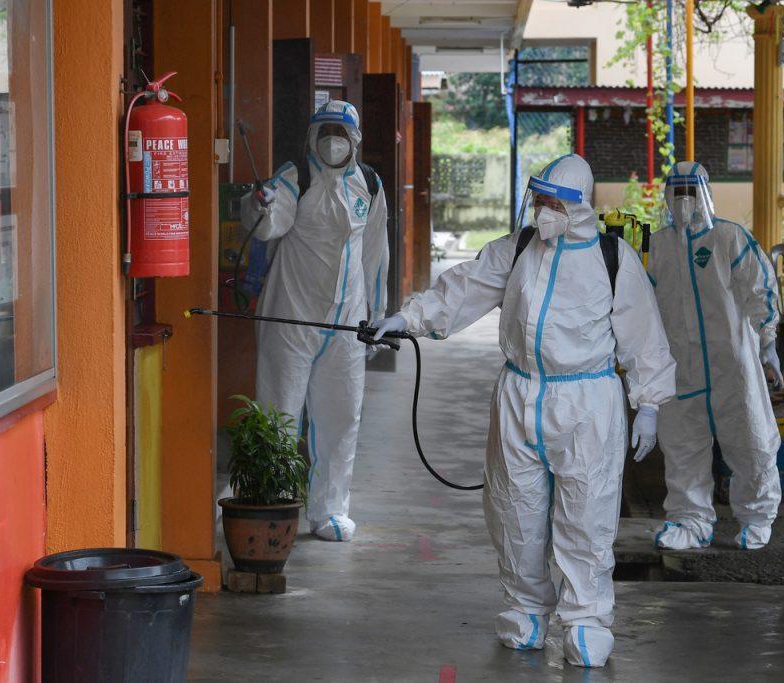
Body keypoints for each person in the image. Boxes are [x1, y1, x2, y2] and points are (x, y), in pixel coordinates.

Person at [374, 154, 675, 668]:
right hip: (518, 395)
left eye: (555, 202)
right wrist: (408, 318)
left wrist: (649, 402)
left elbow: (644, 334)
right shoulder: (517, 250)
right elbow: (463, 286)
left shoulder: (613, 259)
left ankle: (586, 619)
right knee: (514, 510)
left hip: (586, 403)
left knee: (587, 513)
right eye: (540, 199)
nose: (544, 210)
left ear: (579, 207)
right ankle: (525, 608)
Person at [239, 101, 388, 542]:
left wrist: (377, 318)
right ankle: (274, 506)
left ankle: (330, 510)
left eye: (341, 133)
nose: (333, 140)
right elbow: (268, 224)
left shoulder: (369, 184)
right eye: (326, 131)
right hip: (291, 318)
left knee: (341, 417)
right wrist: (260, 205)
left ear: (355, 140)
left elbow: (375, 253)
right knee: (279, 413)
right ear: (312, 136)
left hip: (347, 324)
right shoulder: (295, 176)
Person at [647, 161, 783, 552]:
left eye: (690, 192)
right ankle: (689, 521)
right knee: (682, 445)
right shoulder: (658, 246)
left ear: (704, 194)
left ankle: (756, 518)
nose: (683, 201)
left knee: (749, 440)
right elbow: (643, 305)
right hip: (680, 366)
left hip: (733, 364)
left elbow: (761, 289)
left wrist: (768, 342)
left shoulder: (729, 238)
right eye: (677, 192)